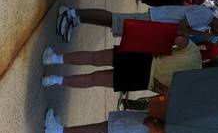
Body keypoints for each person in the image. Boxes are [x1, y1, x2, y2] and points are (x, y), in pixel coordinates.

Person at [40, 39, 201, 95]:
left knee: (94, 57)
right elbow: (169, 94)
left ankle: (53, 58)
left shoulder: (194, 54)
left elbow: (178, 39)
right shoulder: (194, 88)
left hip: (145, 59)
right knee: (94, 79)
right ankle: (53, 80)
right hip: (145, 81)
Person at [56, 3, 218, 43]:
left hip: (155, 24)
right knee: (114, 19)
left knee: (113, 24)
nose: (215, 35)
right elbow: (181, 27)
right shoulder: (205, 16)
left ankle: (78, 19)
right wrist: (199, 35)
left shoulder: (206, 24)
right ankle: (71, 13)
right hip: (154, 19)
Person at [43, 105, 166, 133]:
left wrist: (155, 123)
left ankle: (59, 132)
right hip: (155, 129)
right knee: (106, 127)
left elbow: (175, 132)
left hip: (155, 129)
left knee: (105, 128)